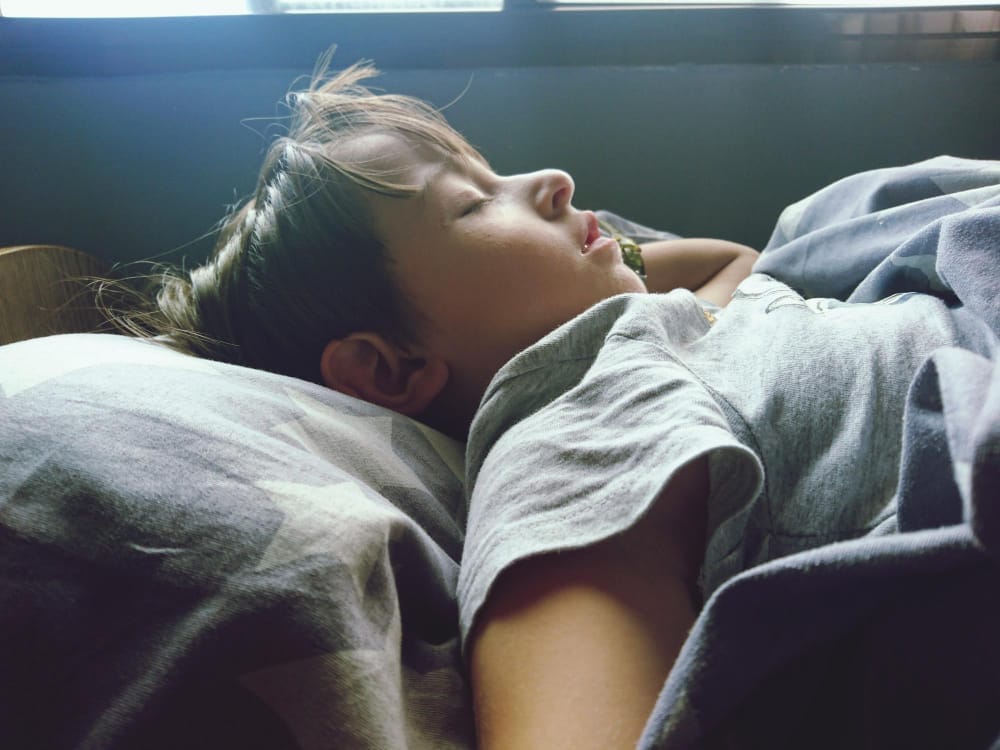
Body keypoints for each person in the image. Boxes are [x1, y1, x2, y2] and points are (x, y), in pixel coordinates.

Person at [104, 59, 999, 749]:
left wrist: (631, 281)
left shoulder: (663, 334)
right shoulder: (572, 420)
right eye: (471, 202)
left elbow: (732, 262)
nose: (555, 181)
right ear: (388, 372)